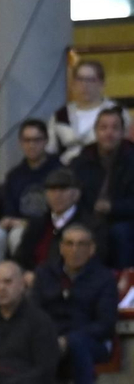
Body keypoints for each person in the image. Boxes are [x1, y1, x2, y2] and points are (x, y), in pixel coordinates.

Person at [33, 223, 116, 384]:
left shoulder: (104, 278)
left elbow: (105, 324)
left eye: (81, 244)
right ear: (61, 248)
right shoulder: (44, 274)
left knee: (77, 344)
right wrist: (51, 338)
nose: (75, 249)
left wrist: (68, 339)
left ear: (92, 249)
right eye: (69, 244)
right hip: (51, 338)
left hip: (91, 342)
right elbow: (34, 313)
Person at [0, 119, 61, 272]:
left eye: (36, 139)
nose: (31, 145)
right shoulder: (15, 175)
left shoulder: (59, 171)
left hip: (47, 226)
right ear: (20, 143)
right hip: (16, 223)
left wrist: (23, 223)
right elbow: (8, 210)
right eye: (27, 140)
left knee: (18, 235)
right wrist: (9, 221)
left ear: (46, 141)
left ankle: (18, 282)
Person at [73, 107, 134, 266]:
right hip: (88, 218)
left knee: (118, 233)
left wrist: (112, 207)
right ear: (96, 131)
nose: (109, 133)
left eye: (115, 128)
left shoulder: (131, 159)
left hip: (123, 220)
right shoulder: (82, 160)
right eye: (103, 127)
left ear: (123, 132)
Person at [49, 58, 126, 165]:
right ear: (73, 84)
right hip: (68, 173)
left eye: (90, 80)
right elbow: (50, 152)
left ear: (101, 83)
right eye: (80, 79)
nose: (84, 85)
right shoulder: (60, 116)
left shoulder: (117, 112)